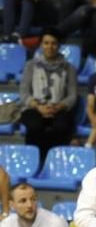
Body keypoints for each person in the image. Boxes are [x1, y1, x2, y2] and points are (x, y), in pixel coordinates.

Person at [19, 27, 77, 162]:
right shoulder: (30, 65)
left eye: (54, 43)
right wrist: (39, 107)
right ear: (41, 45)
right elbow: (24, 93)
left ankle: (55, 161)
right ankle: (34, 161)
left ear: (59, 45)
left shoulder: (69, 68)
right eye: (46, 43)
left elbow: (72, 96)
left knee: (61, 126)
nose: (50, 47)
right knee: (34, 125)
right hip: (35, 107)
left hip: (58, 108)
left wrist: (58, 107)